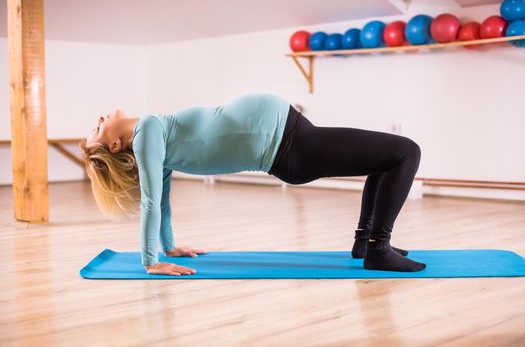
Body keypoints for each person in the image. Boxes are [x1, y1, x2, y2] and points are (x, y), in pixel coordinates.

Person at [79, 93, 426, 275]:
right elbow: (152, 201)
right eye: (96, 128)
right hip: (291, 148)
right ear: (113, 146)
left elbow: (164, 201)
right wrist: (149, 261)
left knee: (386, 158)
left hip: (292, 138)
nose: (98, 119)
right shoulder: (146, 132)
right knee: (406, 152)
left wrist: (169, 247)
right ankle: (379, 250)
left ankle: (365, 244)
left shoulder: (156, 142)